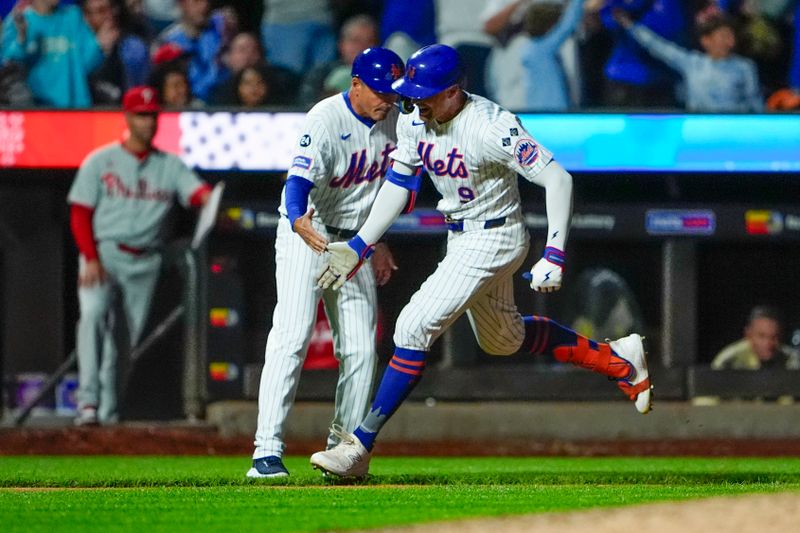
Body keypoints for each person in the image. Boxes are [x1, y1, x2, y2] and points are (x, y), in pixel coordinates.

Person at [310, 44, 652, 478]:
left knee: (413, 326)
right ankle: (618, 360)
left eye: (426, 92)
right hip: (461, 237)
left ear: (454, 92)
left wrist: (555, 251)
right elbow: (399, 182)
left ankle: (357, 447)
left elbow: (557, 178)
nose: (415, 101)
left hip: (497, 236)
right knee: (503, 341)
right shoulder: (417, 117)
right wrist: (360, 244)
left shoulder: (493, 126)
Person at [246, 47, 405, 478]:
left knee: (360, 347)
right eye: (378, 91)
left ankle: (343, 450)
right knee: (293, 334)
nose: (386, 100)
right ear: (354, 84)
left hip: (354, 240)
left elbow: (387, 191)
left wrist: (379, 240)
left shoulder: (398, 118)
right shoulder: (324, 119)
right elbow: (296, 183)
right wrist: (297, 220)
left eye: (391, 92)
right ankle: (266, 450)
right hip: (307, 232)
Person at [68, 85, 211, 425]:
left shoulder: (170, 166)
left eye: (152, 115)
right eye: (141, 115)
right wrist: (89, 256)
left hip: (146, 261)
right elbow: (79, 212)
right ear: (128, 117)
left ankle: (108, 412)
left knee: (124, 342)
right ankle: (88, 403)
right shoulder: (101, 160)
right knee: (92, 318)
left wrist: (208, 199)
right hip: (103, 254)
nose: (147, 122)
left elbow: (198, 194)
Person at [614, 10, 763, 112]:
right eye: (723, 36)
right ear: (706, 40)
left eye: (731, 37)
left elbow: (755, 104)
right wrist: (631, 26)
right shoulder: (693, 63)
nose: (729, 42)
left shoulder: (745, 67)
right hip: (698, 126)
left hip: (731, 128)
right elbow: (658, 46)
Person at [1, 0, 109, 108]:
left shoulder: (73, 16)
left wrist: (99, 45)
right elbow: (8, 67)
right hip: (36, 110)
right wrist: (22, 39)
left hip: (76, 109)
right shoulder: (19, 20)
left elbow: (87, 65)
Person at [712, 306, 800, 370]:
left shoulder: (792, 359)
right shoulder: (729, 360)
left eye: (774, 337)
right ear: (748, 335)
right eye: (762, 336)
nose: (768, 343)